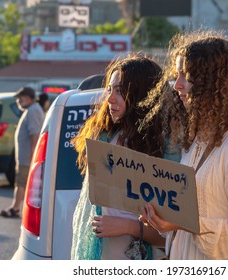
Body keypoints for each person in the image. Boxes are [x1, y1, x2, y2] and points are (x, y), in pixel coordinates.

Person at [139, 30, 228, 260]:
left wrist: (185, 223)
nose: (177, 85)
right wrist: (161, 216)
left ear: (212, 82)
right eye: (177, 75)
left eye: (187, 75)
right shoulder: (196, 142)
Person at [70, 53, 182, 260]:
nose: (110, 98)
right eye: (110, 90)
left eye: (120, 92)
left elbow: (174, 236)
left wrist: (130, 227)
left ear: (144, 95)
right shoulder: (105, 136)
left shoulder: (168, 149)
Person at [0, 87, 44, 218]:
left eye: (20, 98)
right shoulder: (32, 110)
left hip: (27, 158)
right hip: (26, 157)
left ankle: (15, 208)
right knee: (24, 183)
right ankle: (18, 207)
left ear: (27, 98)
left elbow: (34, 134)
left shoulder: (33, 111)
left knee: (21, 182)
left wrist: (33, 155)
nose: (18, 101)